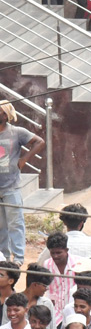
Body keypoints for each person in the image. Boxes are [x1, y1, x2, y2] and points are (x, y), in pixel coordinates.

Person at [0, 105, 43, 262]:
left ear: (6, 116)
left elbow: (39, 142)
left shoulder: (17, 132)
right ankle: (3, 258)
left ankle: (18, 258)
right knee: (1, 226)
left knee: (15, 224)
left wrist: (24, 159)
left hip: (11, 187)